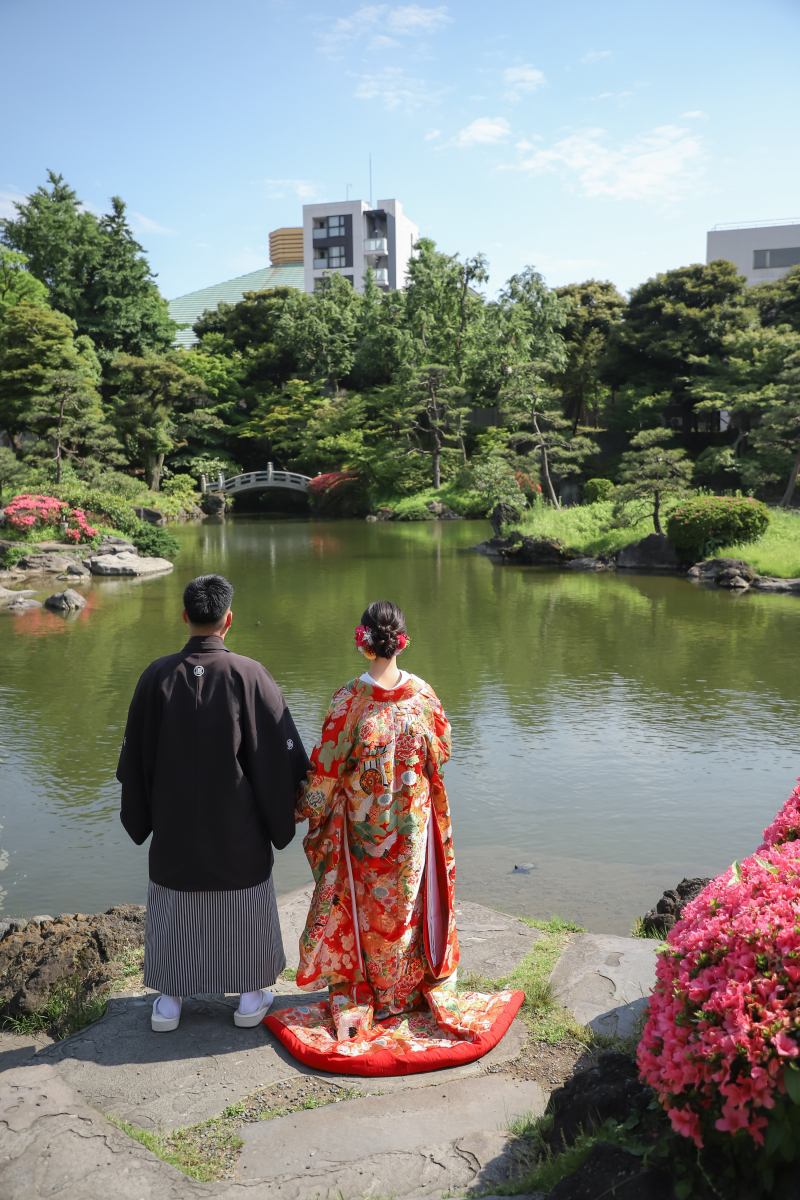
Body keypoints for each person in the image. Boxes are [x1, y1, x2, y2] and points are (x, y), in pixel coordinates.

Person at [117, 573, 310, 1032]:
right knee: (242, 902)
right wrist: (290, 803)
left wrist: (147, 811)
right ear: (228, 619)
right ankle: (249, 997)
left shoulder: (156, 675)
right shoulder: (250, 673)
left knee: (176, 904)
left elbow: (135, 759)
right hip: (237, 830)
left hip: (174, 828)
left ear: (185, 617)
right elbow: (278, 756)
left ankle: (170, 1001)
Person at [294, 600, 459, 1041]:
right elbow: (441, 752)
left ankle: (371, 988)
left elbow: (325, 772)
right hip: (412, 825)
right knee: (406, 903)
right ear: (401, 641)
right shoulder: (424, 697)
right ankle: (402, 991)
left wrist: (299, 810)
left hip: (366, 831)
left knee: (370, 909)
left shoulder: (349, 701)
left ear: (363, 642)